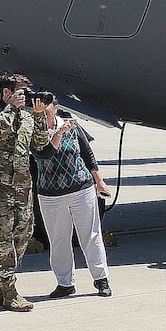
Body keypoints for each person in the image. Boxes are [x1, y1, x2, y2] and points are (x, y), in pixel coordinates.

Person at [0, 74, 51, 311]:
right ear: (7, 93)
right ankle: (10, 292)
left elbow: (40, 143)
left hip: (22, 189)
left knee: (21, 239)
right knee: (0, 242)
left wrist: (38, 115)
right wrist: (11, 109)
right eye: (21, 92)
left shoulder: (27, 116)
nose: (25, 96)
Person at [33, 97, 113, 298]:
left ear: (55, 107)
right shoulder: (35, 132)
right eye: (39, 104)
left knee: (91, 235)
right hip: (51, 195)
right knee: (59, 240)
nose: (43, 108)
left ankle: (101, 279)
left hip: (81, 189)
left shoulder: (73, 126)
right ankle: (65, 283)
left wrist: (99, 181)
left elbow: (88, 154)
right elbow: (44, 155)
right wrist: (58, 133)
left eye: (47, 104)